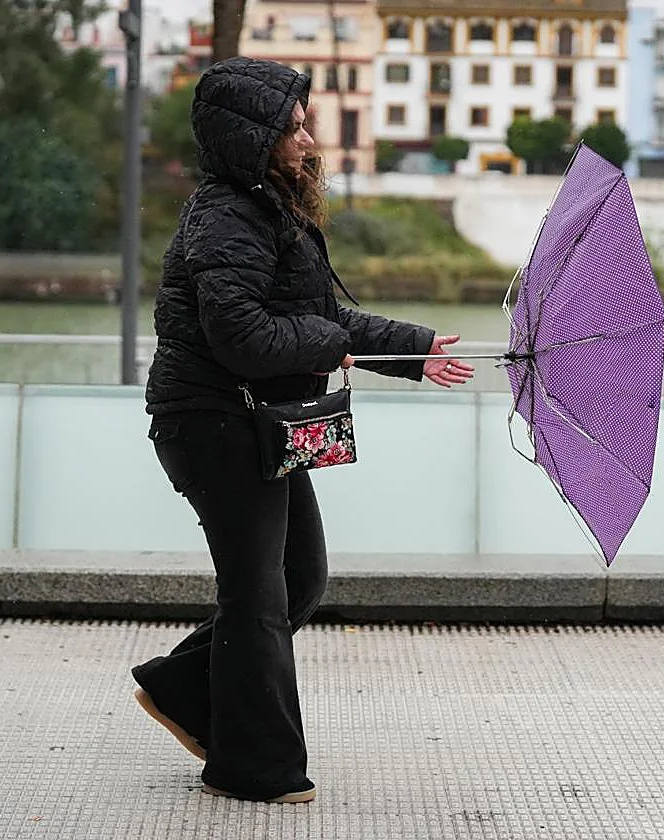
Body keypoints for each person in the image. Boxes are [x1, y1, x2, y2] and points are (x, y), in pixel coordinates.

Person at [130, 56, 475, 805]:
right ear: (249, 139)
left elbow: (329, 319)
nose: (310, 142)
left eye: (304, 126)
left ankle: (182, 691)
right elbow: (243, 337)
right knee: (256, 594)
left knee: (297, 579)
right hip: (213, 423)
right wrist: (328, 345)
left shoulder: (269, 209)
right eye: (293, 130)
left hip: (260, 422)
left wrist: (416, 351)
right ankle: (254, 768)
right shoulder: (226, 215)